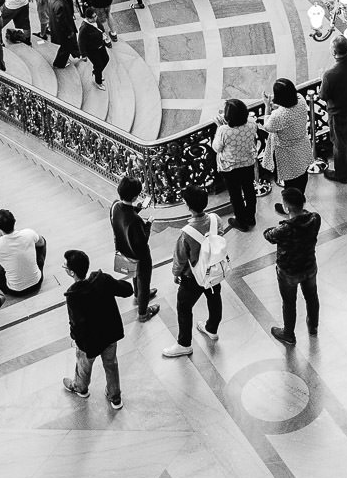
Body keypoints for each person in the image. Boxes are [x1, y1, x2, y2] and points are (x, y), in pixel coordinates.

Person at [61, 249, 131, 409]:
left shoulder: (73, 296)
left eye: (65, 266)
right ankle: (115, 397)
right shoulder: (102, 279)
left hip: (89, 341)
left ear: (72, 272)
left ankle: (81, 388)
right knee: (111, 364)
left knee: (84, 365)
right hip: (110, 333)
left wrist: (76, 339)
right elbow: (127, 290)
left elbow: (76, 324)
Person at [164, 186, 226, 358]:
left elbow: (180, 257)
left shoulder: (187, 233)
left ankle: (184, 343)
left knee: (184, 306)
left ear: (187, 205)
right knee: (214, 297)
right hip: (214, 271)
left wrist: (176, 273)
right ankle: (211, 328)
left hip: (193, 277)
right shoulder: (215, 219)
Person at [264, 186, 322, 344]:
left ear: (287, 207)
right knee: (312, 297)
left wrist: (282, 222)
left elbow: (268, 235)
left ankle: (288, 334)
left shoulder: (285, 228)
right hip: (309, 266)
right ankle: (313, 326)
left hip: (289, 272)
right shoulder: (315, 218)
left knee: (289, 303)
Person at [110, 175, 160, 322]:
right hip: (141, 257)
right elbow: (142, 240)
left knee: (133, 275)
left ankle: (138, 296)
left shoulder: (115, 206)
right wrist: (148, 224)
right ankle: (143, 313)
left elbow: (122, 218)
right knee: (144, 282)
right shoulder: (135, 220)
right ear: (135, 196)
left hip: (123, 251)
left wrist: (136, 209)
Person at [319, 35, 347, 182]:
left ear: (333, 52)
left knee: (340, 143)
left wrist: (323, 81)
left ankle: (342, 174)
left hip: (338, 113)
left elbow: (323, 96)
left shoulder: (330, 74)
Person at [263, 77, 315, 200]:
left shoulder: (280, 115)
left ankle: (292, 207)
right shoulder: (301, 99)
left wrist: (267, 106)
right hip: (302, 146)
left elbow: (267, 126)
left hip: (288, 155)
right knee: (302, 174)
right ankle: (300, 198)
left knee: (290, 184)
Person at [212, 98, 259, 230]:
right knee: (249, 191)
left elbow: (217, 148)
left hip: (230, 168)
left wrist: (219, 127)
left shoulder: (223, 131)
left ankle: (241, 221)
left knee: (236, 195)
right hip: (247, 163)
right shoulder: (252, 124)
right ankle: (251, 217)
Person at [0, 209, 46, 295]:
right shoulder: (29, 233)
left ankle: (1, 290)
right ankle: (37, 266)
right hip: (37, 283)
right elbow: (41, 243)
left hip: (15, 291)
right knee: (41, 240)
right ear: (14, 221)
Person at [47, 0, 79, 69]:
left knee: (65, 46)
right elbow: (62, 22)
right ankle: (59, 63)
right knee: (66, 47)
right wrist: (69, 33)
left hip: (55, 26)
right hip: (62, 31)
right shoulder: (59, 4)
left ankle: (74, 53)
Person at [78, 14, 110, 88]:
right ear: (88, 18)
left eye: (95, 16)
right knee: (98, 65)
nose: (96, 18)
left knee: (106, 59)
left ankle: (96, 72)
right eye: (93, 17)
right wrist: (83, 55)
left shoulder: (96, 20)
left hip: (100, 45)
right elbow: (81, 42)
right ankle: (98, 82)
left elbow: (101, 28)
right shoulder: (84, 28)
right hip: (91, 50)